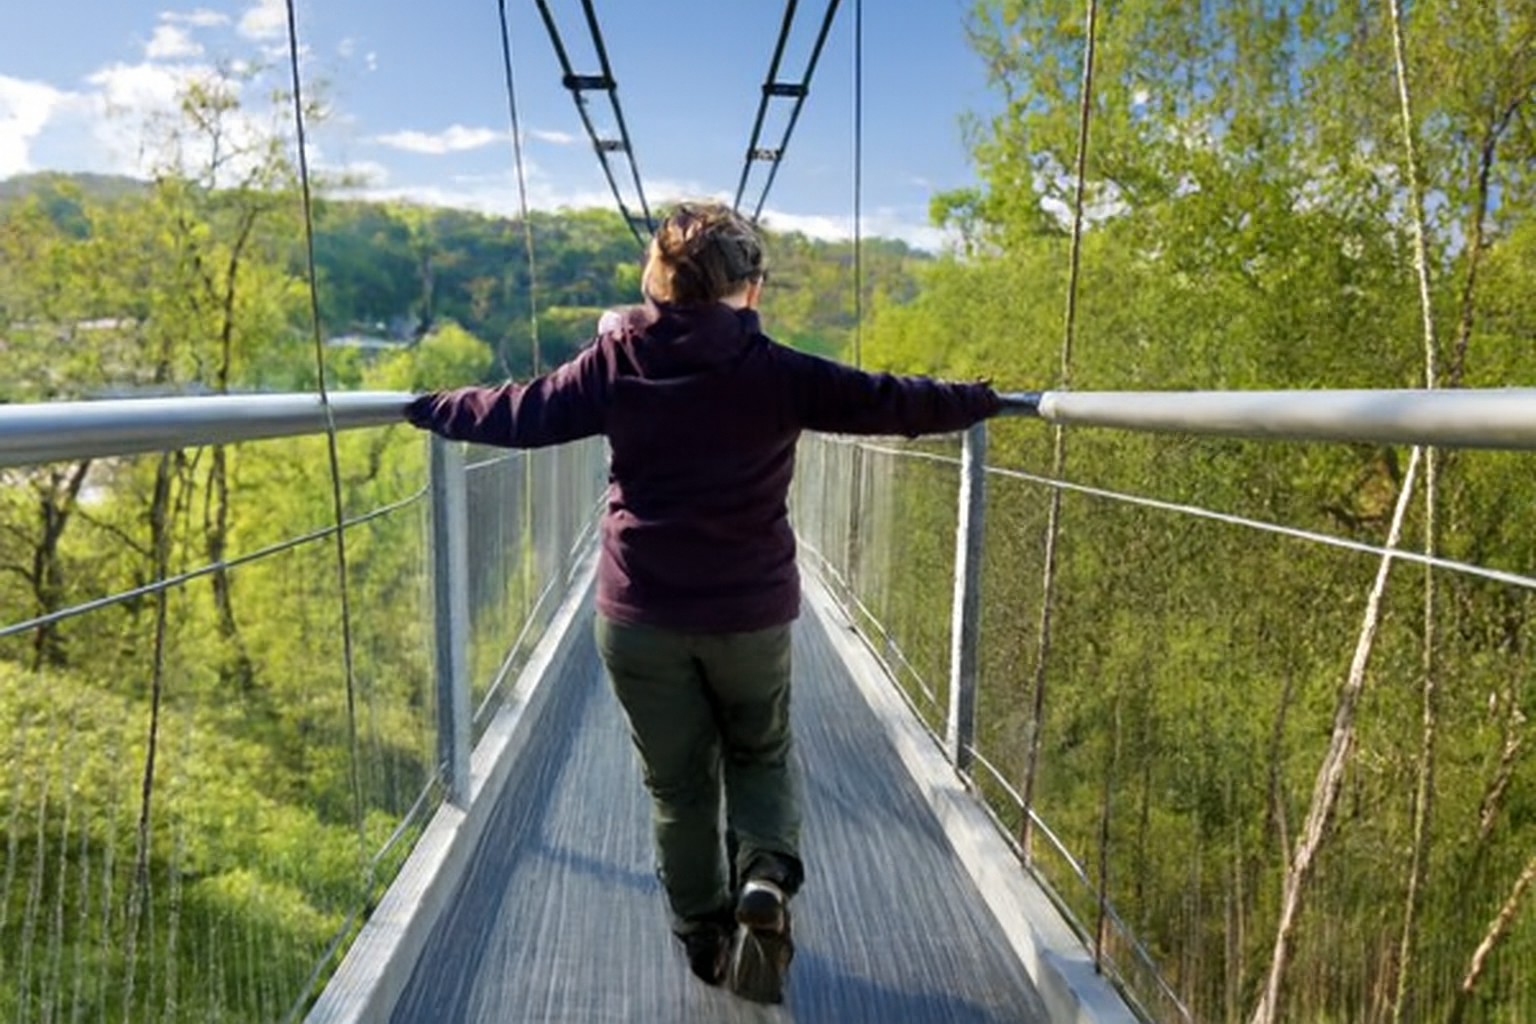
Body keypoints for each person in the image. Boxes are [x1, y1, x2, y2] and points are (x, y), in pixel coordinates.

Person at [402, 201, 1000, 1000]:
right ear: (750, 290)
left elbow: (521, 411)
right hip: (749, 612)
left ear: (656, 282)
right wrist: (978, 400)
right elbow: (887, 400)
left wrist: (427, 406)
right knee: (758, 750)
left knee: (678, 787)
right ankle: (763, 873)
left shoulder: (614, 362)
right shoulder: (782, 372)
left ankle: (704, 939)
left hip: (639, 615)